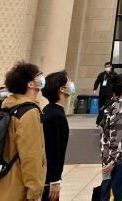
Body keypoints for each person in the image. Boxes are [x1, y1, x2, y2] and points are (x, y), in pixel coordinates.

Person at [0, 62, 47, 201]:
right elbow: (30, 155)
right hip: (16, 186)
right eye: (39, 75)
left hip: (1, 183)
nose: (42, 77)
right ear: (30, 84)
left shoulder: (10, 107)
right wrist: (34, 190)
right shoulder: (29, 112)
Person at [99, 73, 122, 200]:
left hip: (117, 160)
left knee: (110, 194)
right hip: (117, 161)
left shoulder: (118, 105)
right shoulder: (120, 108)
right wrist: (112, 161)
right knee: (112, 196)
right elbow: (116, 136)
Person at [40, 71, 73, 201]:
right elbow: (53, 150)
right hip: (47, 180)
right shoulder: (55, 115)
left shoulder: (52, 110)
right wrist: (54, 180)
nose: (72, 84)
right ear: (62, 89)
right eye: (69, 81)